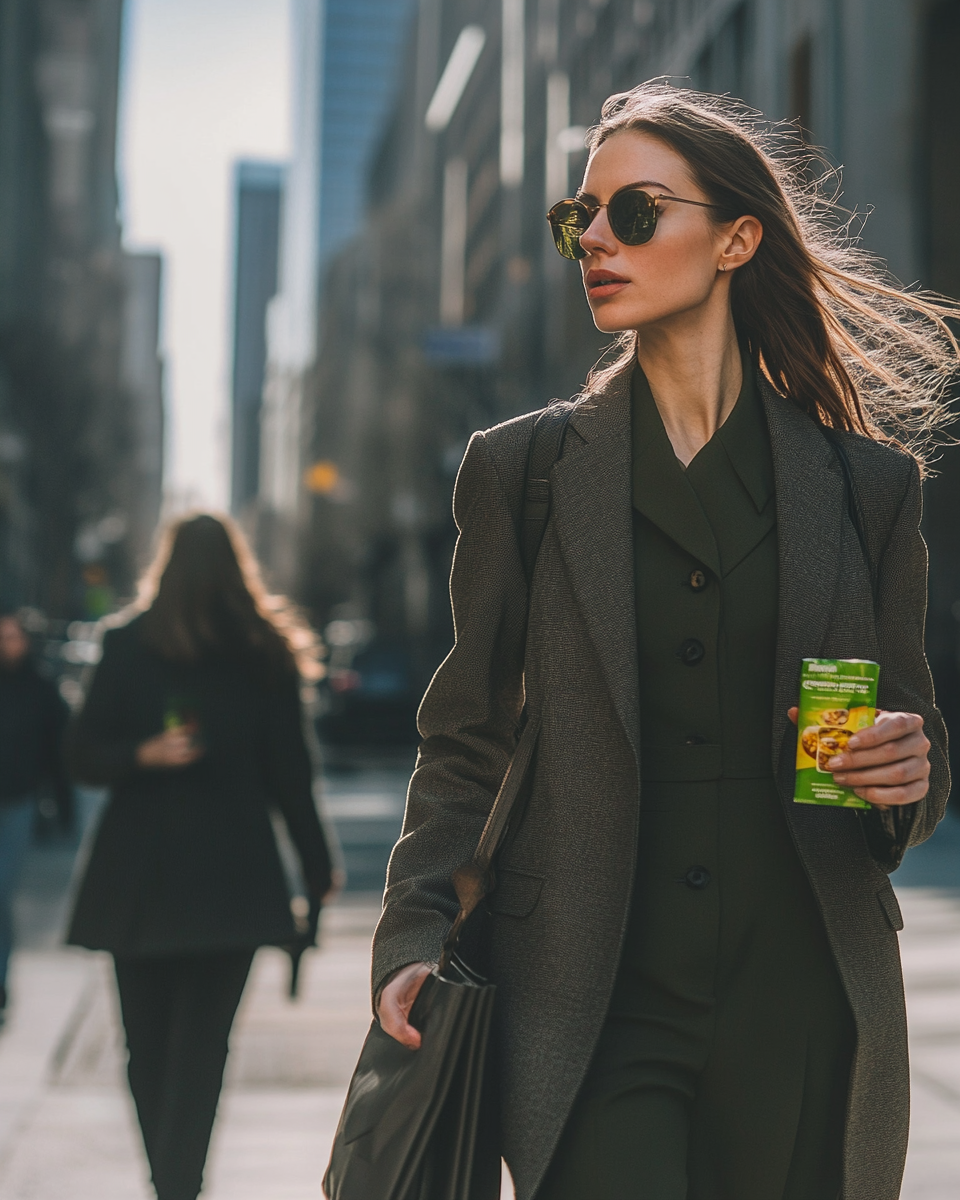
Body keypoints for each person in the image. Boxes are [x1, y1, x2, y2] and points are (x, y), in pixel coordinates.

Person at [371, 83, 956, 1200]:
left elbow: (910, 764)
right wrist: (412, 930)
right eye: (576, 218)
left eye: (633, 212)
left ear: (737, 238)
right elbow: (466, 739)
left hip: (802, 997)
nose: (593, 238)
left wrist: (904, 770)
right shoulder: (523, 472)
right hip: (588, 1004)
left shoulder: (865, 488)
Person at [67, 514, 334, 1200]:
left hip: (137, 881)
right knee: (203, 1050)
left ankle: (170, 1184)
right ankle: (182, 1186)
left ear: (167, 565)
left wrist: (138, 756)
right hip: (234, 880)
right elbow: (291, 777)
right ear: (236, 569)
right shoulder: (264, 653)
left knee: (144, 1048)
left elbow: (81, 756)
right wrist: (315, 868)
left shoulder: (126, 645)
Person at [0, 612, 70, 1022]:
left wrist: (62, 808)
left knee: (1, 892)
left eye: (12, 636)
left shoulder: (41, 690)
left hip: (18, 803)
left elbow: (59, 753)